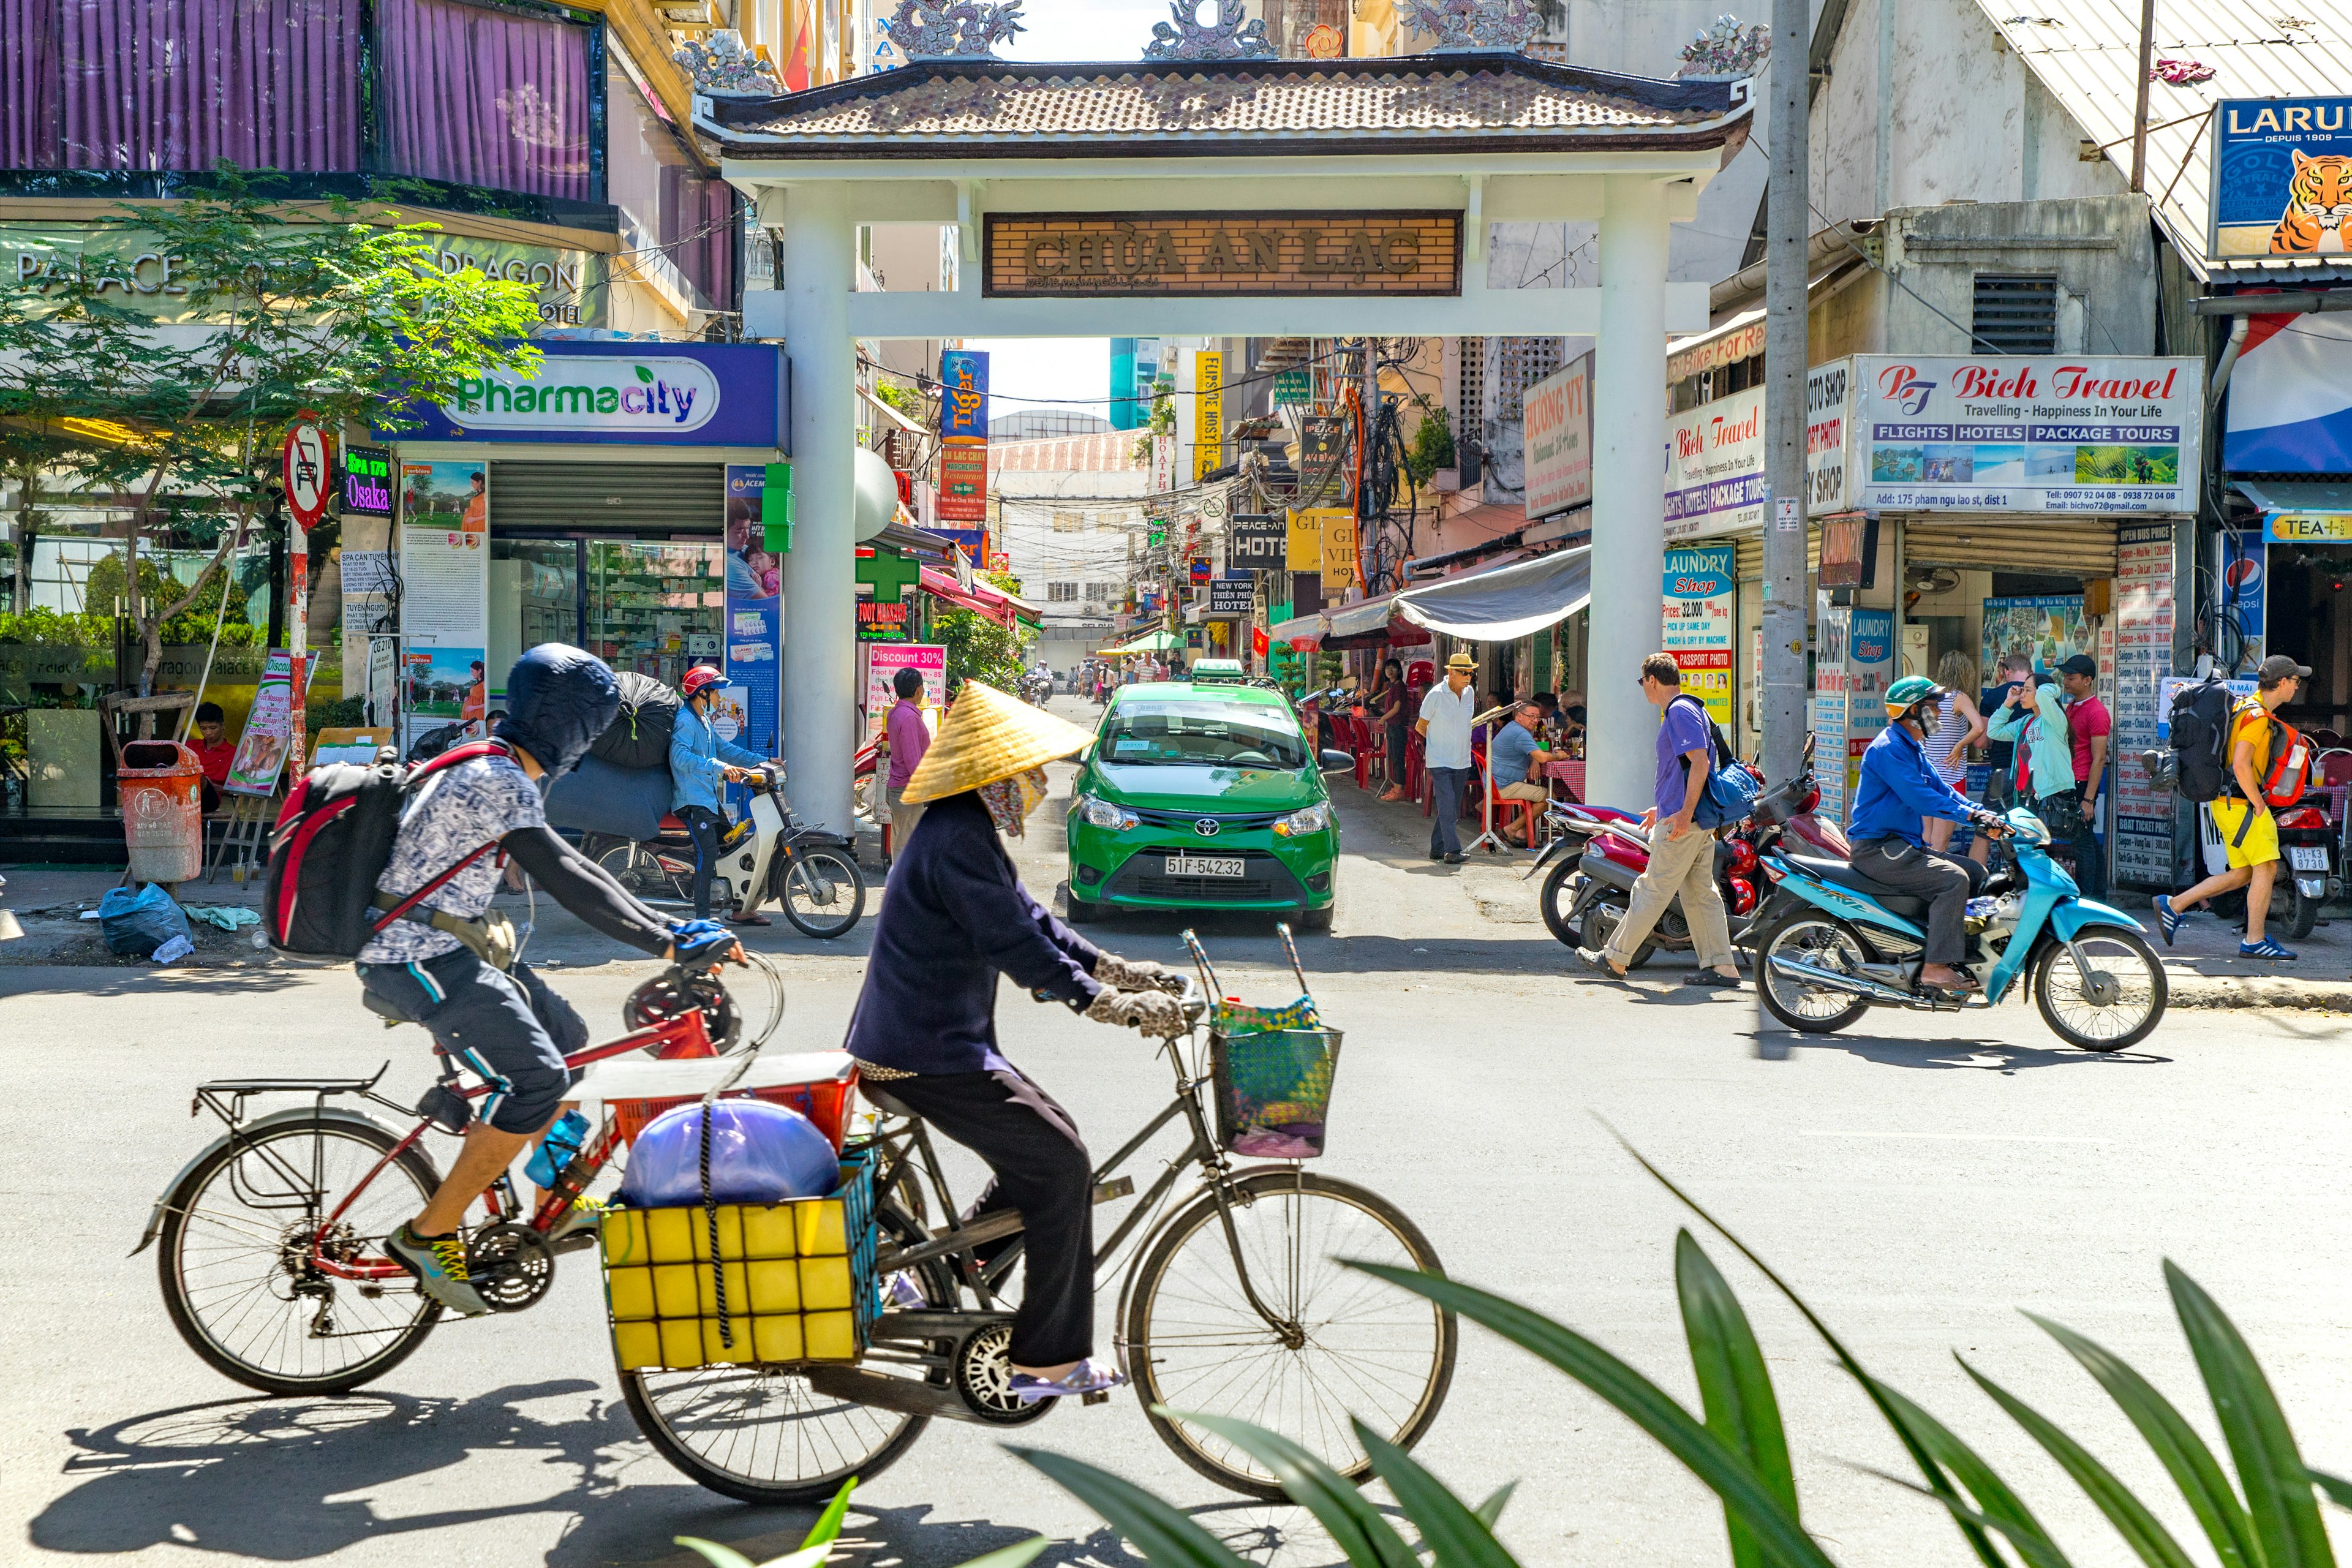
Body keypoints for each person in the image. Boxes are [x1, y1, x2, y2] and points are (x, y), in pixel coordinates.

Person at [361, 644, 741, 1316]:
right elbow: (568, 879)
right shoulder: (499, 778)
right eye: (591, 730)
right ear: (571, 728)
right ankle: (429, 1234)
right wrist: (665, 939)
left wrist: (672, 931)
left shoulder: (493, 761)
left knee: (568, 1036)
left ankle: (555, 1199)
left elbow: (582, 869)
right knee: (536, 1078)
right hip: (412, 954)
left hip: (451, 943)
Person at [843, 680, 1187, 1404]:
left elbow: (1037, 922)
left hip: (939, 1043)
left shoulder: (963, 828)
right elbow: (1014, 945)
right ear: (995, 775)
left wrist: (1115, 968)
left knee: (1049, 1144)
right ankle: (1047, 1360)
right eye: (1028, 774)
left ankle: (942, 1276)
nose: (1037, 786)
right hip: (923, 1053)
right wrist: (1109, 1005)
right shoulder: (955, 838)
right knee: (1061, 1164)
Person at [1576, 655, 1738, 986]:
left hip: (1685, 823)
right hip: (1692, 821)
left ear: (1652, 680)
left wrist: (1682, 813)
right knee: (1700, 895)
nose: (1643, 690)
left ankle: (1615, 958)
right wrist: (1663, 808)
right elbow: (1684, 770)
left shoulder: (1679, 711)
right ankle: (1722, 966)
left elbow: (1700, 763)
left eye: (1642, 683)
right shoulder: (1691, 709)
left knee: (1651, 890)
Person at [1846, 676, 2008, 993]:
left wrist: (1982, 812)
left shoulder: (1913, 749)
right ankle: (1935, 968)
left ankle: (1959, 955)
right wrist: (1970, 814)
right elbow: (1920, 797)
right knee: (1953, 880)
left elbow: (1942, 789)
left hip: (1902, 846)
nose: (1937, 715)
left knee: (1976, 872)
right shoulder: (1889, 748)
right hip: (1879, 850)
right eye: (1931, 708)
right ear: (1911, 711)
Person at [2155, 655, 2310, 960]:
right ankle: (2255, 940)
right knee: (2266, 867)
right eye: (2295, 681)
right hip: (2242, 804)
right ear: (2281, 683)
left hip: (2226, 802)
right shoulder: (2258, 718)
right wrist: (2259, 804)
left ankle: (2172, 905)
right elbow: (2241, 764)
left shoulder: (2243, 706)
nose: (2297, 686)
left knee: (2242, 873)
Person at [669, 663, 778, 925]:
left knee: (730, 848)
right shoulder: (685, 722)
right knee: (707, 855)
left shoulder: (704, 721)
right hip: (692, 803)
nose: (720, 698)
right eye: (716, 692)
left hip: (707, 800)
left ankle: (742, 909)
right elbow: (679, 757)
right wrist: (720, 767)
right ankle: (702, 918)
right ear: (701, 694)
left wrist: (763, 761)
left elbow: (727, 750)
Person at [2049, 652, 2111, 900]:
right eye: (2065, 677)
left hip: (2082, 782)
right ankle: (2097, 895)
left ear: (2087, 680)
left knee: (2082, 841)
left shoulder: (2097, 712)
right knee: (2086, 841)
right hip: (2071, 780)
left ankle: (2088, 898)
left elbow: (2099, 759)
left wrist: (2089, 799)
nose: (2066, 682)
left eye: (2071, 678)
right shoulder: (2073, 706)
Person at [1416, 650, 1479, 863]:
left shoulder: (1469, 692)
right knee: (1448, 804)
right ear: (1451, 672)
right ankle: (1452, 851)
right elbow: (1421, 726)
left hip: (1462, 759)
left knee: (1450, 806)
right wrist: (1436, 744)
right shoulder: (1435, 695)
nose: (1468, 677)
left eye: (1470, 673)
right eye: (1464, 672)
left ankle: (1437, 848)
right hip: (1440, 760)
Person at [1921, 651, 1987, 852]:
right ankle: (1934, 880)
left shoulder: (1930, 697)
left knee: (1926, 838)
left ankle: (1921, 878)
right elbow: (1979, 727)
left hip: (1926, 776)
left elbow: (1922, 734)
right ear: (1965, 673)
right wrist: (1959, 746)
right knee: (1941, 841)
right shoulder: (1959, 697)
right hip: (1950, 776)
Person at [1970, 652, 2030, 865]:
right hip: (2033, 776)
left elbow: (1981, 742)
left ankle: (1976, 881)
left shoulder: (1993, 697)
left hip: (2002, 772)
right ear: (2029, 672)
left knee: (1985, 830)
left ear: (2006, 672)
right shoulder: (2039, 697)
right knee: (2029, 831)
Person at [883, 665, 932, 867]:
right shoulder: (909, 717)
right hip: (907, 790)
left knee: (903, 842)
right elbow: (913, 761)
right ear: (919, 690)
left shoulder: (897, 713)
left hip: (899, 788)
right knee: (906, 846)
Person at [1487, 700, 1555, 846]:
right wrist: (1559, 756)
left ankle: (1522, 833)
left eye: (1538, 717)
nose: (1535, 720)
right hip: (1504, 785)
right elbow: (1543, 757)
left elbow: (1535, 753)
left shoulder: (1513, 728)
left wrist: (1533, 759)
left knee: (1535, 793)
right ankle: (1511, 830)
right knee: (1550, 797)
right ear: (1519, 716)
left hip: (1496, 781)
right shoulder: (1520, 733)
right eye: (1531, 716)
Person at [1371, 657, 1410, 802]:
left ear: (1399, 671)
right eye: (1388, 668)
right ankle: (1396, 787)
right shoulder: (1392, 687)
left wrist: (1383, 718)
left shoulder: (1400, 687)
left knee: (1398, 758)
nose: (1390, 670)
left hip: (1398, 726)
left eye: (1393, 668)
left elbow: (1397, 708)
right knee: (1394, 757)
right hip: (1392, 726)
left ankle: (1400, 790)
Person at [188, 700, 235, 812]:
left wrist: (212, 785)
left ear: (223, 726)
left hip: (211, 798)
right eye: (203, 728)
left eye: (213, 728)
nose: (208, 733)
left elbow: (236, 791)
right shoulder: (190, 746)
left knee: (198, 778)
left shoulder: (233, 753)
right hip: (185, 793)